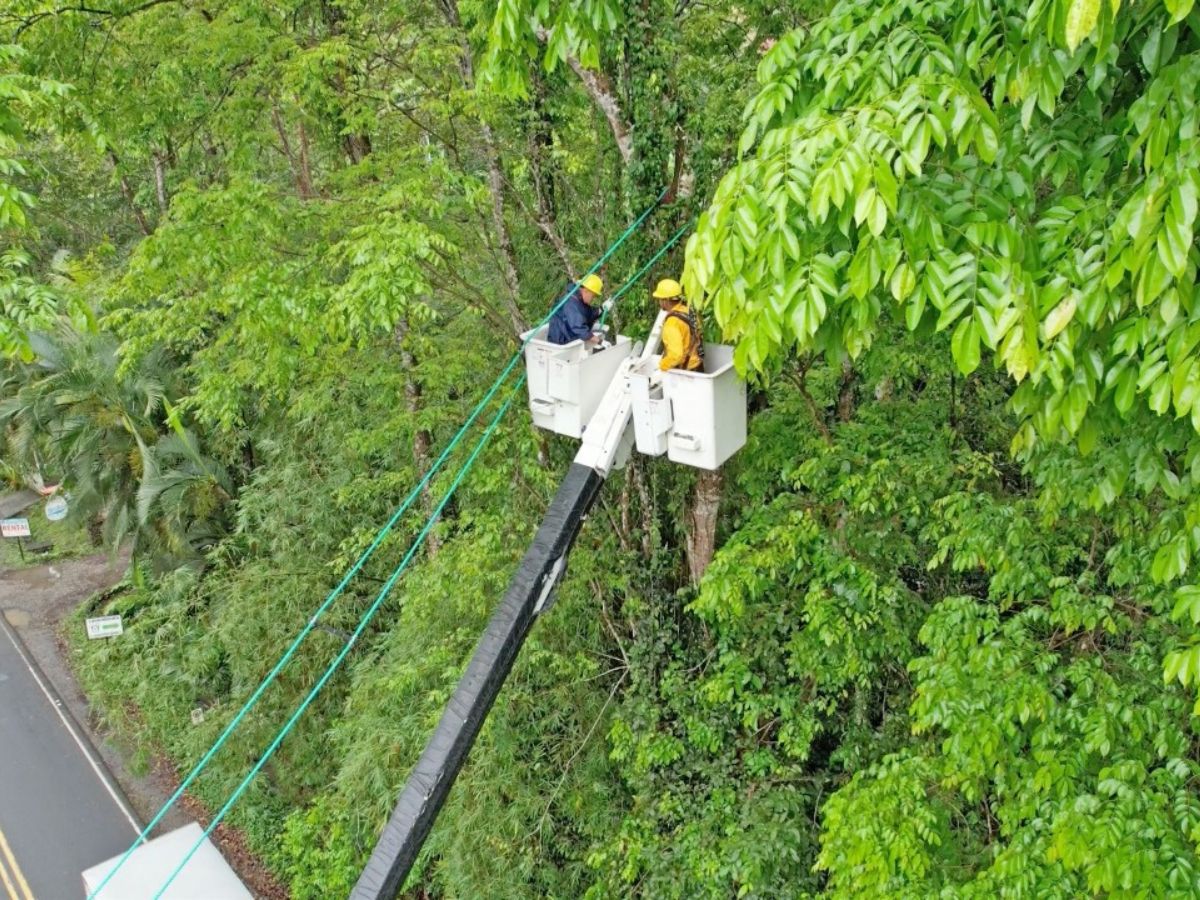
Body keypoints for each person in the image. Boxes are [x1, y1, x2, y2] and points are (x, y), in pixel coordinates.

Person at [652, 278, 703, 371]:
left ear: (665, 300)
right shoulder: (688, 310)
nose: (659, 302)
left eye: (659, 299)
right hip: (698, 366)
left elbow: (676, 355)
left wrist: (662, 365)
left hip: (685, 373)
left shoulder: (671, 324)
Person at [548, 273, 606, 346]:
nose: (592, 299)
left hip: (569, 336)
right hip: (561, 341)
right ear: (586, 291)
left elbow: (588, 313)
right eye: (593, 296)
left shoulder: (579, 300)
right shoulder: (571, 303)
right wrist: (599, 341)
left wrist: (602, 308)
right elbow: (578, 328)